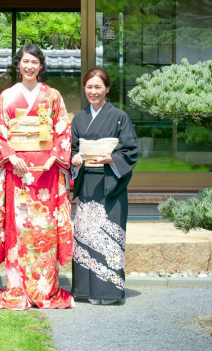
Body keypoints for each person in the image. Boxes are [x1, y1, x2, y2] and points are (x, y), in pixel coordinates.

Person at [0, 44, 74, 310]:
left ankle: (44, 289)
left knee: (44, 229)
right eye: (25, 61)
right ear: (18, 65)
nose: (30, 66)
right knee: (19, 228)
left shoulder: (53, 96)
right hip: (17, 171)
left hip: (46, 171)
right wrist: (10, 156)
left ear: (41, 66)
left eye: (35, 62)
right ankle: (16, 288)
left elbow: (63, 131)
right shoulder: (7, 96)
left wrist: (52, 158)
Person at [70, 67, 138, 305]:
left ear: (107, 89)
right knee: (86, 236)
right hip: (88, 182)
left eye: (98, 87)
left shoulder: (120, 117)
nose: (93, 91)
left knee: (107, 236)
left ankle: (108, 292)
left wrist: (111, 158)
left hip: (112, 184)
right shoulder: (79, 118)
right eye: (89, 87)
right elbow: (71, 149)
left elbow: (131, 150)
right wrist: (75, 159)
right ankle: (85, 290)